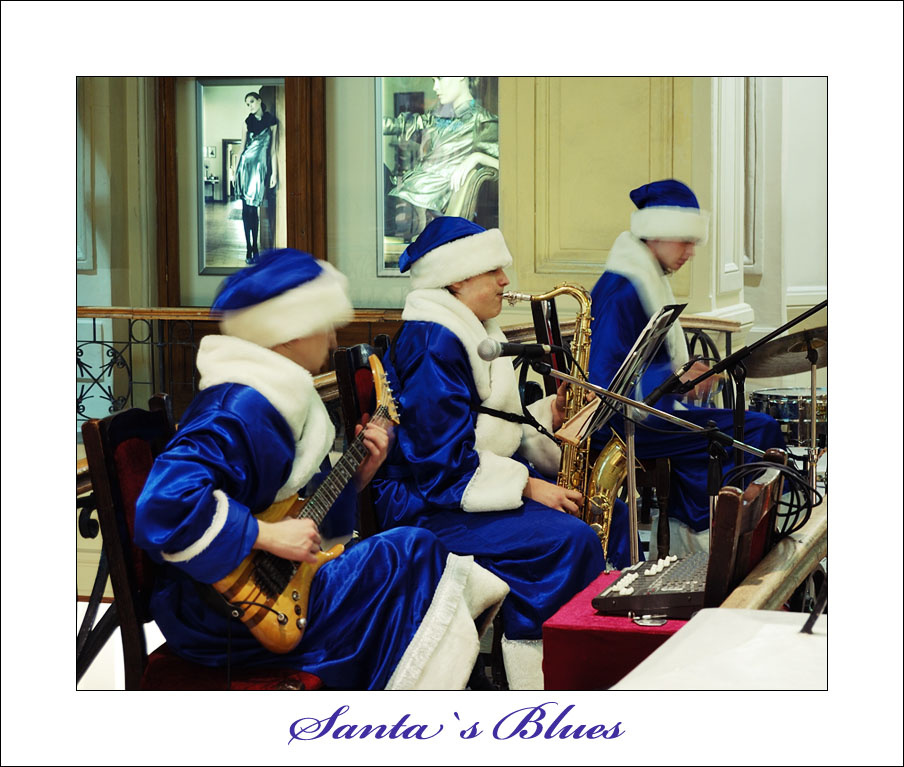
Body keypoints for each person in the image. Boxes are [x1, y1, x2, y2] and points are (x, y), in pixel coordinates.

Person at [133, 249, 508, 690]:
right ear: (290, 333)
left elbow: (297, 512)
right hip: (217, 614)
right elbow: (162, 507)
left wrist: (361, 475)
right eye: (324, 326)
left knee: (412, 554)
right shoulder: (236, 408)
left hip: (255, 587)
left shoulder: (276, 397)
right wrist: (265, 536)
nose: (332, 341)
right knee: (411, 550)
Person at [371, 217, 605, 690]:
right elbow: (439, 465)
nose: (505, 280)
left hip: (457, 490)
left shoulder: (467, 327)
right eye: (493, 270)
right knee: (570, 539)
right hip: (422, 504)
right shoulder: (433, 343)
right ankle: (543, 680)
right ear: (456, 279)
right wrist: (529, 486)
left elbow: (483, 428)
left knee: (598, 514)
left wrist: (549, 414)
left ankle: (595, 658)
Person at [587, 179, 785, 557]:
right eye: (685, 241)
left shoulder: (641, 278)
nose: (691, 252)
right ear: (657, 233)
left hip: (652, 412)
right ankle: (727, 542)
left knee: (744, 429)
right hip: (625, 425)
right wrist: (678, 381)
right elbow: (606, 382)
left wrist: (682, 377)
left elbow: (644, 363)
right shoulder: (624, 290)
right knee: (758, 430)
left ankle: (703, 537)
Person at [383, 77, 498, 239]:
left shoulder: (481, 122)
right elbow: (403, 124)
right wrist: (366, 124)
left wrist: (476, 157)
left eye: (440, 78)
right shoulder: (439, 116)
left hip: (417, 211)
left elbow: (513, 165)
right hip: (403, 196)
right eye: (433, 80)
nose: (435, 87)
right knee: (370, 163)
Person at [234, 91, 278, 264]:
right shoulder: (247, 122)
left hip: (260, 169)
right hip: (245, 167)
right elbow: (241, 149)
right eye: (247, 104)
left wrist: (274, 173)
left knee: (254, 209)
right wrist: (234, 172)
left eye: (251, 101)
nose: (250, 106)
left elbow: (273, 151)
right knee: (246, 210)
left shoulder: (271, 121)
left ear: (259, 101)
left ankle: (255, 247)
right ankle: (249, 248)